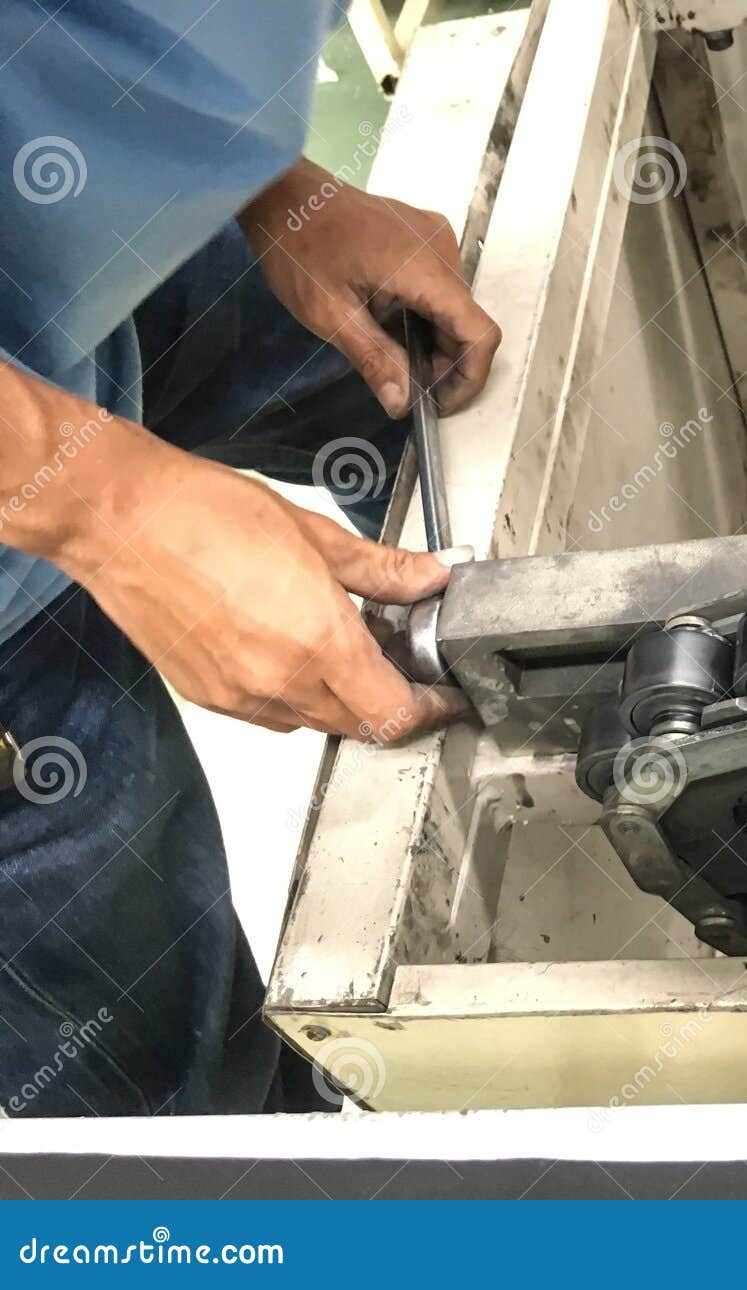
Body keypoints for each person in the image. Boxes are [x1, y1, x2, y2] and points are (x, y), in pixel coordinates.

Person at [0, 2, 501, 1115]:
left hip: (53, 258)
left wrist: (274, 187)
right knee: (156, 1063)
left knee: (426, 364)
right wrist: (103, 507)